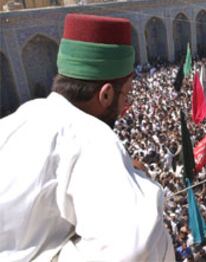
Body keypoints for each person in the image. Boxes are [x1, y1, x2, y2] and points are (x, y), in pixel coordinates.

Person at [0, 13, 174, 261]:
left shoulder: (16, 121)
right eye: (126, 95)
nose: (126, 107)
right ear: (105, 94)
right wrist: (140, 183)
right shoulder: (91, 137)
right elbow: (134, 248)